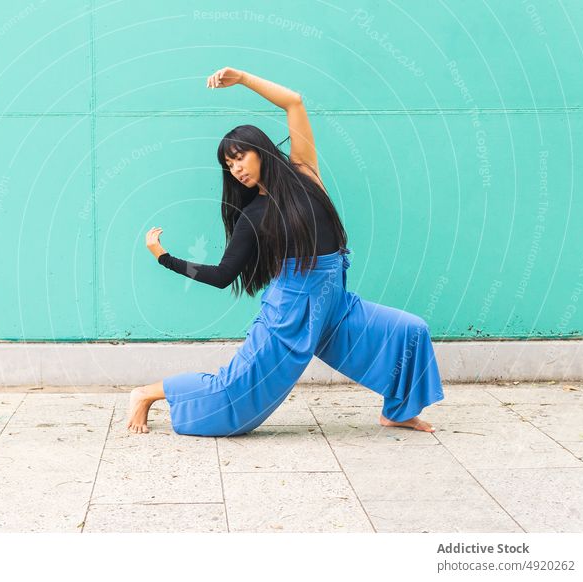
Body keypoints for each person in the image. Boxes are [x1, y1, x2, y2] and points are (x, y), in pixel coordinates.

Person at [127, 67, 444, 435]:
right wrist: (165, 258)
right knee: (233, 400)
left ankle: (398, 411)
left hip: (335, 306)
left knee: (411, 332)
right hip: (289, 314)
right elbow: (221, 276)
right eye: (229, 166)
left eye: (239, 157)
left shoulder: (304, 173)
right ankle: (147, 394)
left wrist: (243, 78)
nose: (236, 170)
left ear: (259, 149)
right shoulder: (253, 216)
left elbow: (293, 101)